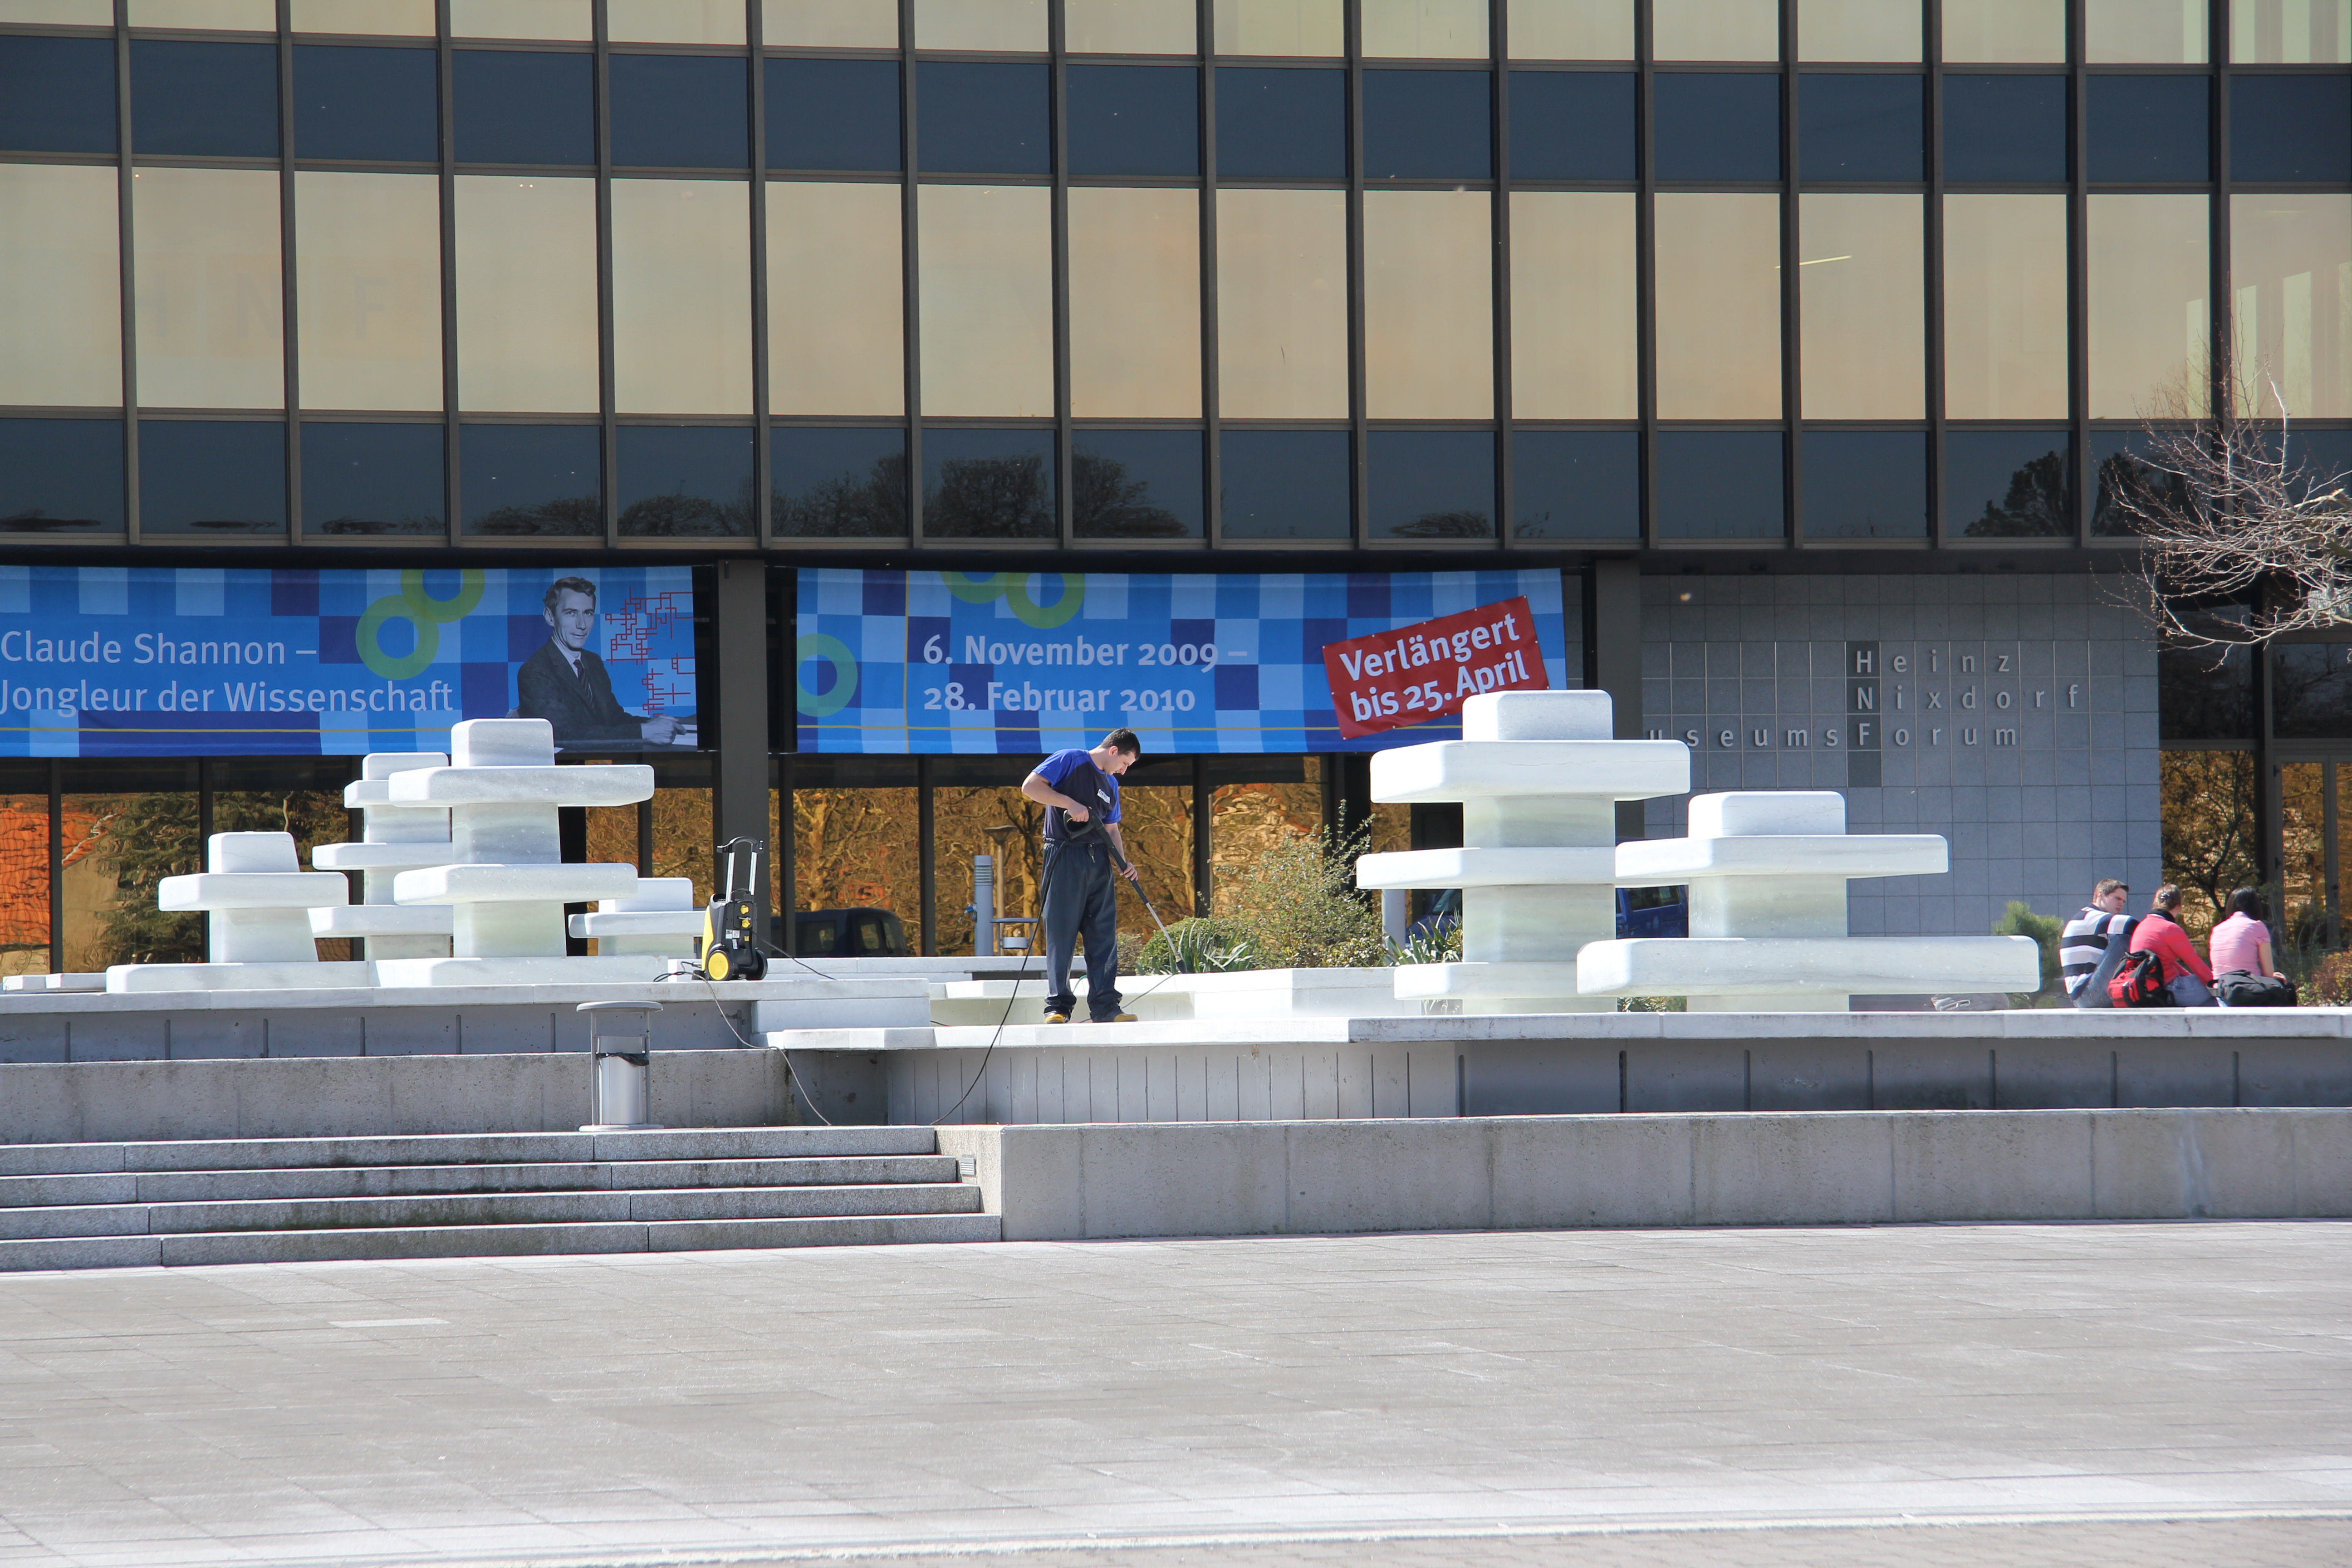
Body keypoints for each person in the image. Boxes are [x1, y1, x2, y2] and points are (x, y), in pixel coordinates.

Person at [1022, 730, 1142, 1025]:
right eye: (1125, 763)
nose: (1124, 771)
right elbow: (1030, 787)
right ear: (1113, 751)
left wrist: (1122, 862)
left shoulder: (1111, 784)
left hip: (1099, 860)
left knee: (1103, 936)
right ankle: (1058, 1007)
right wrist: (1068, 803)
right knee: (1062, 933)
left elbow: (1112, 829)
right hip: (1064, 854)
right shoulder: (1070, 759)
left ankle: (1106, 1008)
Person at [516, 577, 682, 750]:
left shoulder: (593, 662)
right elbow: (562, 735)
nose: (582, 625)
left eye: (588, 613)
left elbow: (614, 720)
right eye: (571, 613)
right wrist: (644, 732)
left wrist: (654, 724)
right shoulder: (535, 671)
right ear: (550, 617)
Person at [2208, 887, 2298, 1006]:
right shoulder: (2257, 926)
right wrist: (2273, 976)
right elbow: (2268, 973)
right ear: (2255, 906)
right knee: (2288, 989)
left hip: (2221, 993)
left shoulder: (2217, 930)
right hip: (2248, 992)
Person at [2127, 894, 2217, 1007]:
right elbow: (2196, 964)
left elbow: (2168, 962)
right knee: (2216, 993)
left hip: (2146, 988)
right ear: (2179, 906)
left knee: (2208, 997)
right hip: (2168, 989)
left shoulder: (2142, 926)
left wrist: (2188, 976)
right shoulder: (2170, 928)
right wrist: (2216, 984)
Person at [2060, 878, 2135, 1008]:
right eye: (2117, 898)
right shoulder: (2088, 916)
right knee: (2125, 939)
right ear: (2100, 895)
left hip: (2089, 993)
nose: (2121, 904)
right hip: (2086, 993)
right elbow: (2130, 924)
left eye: (2123, 901)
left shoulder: (2102, 924)